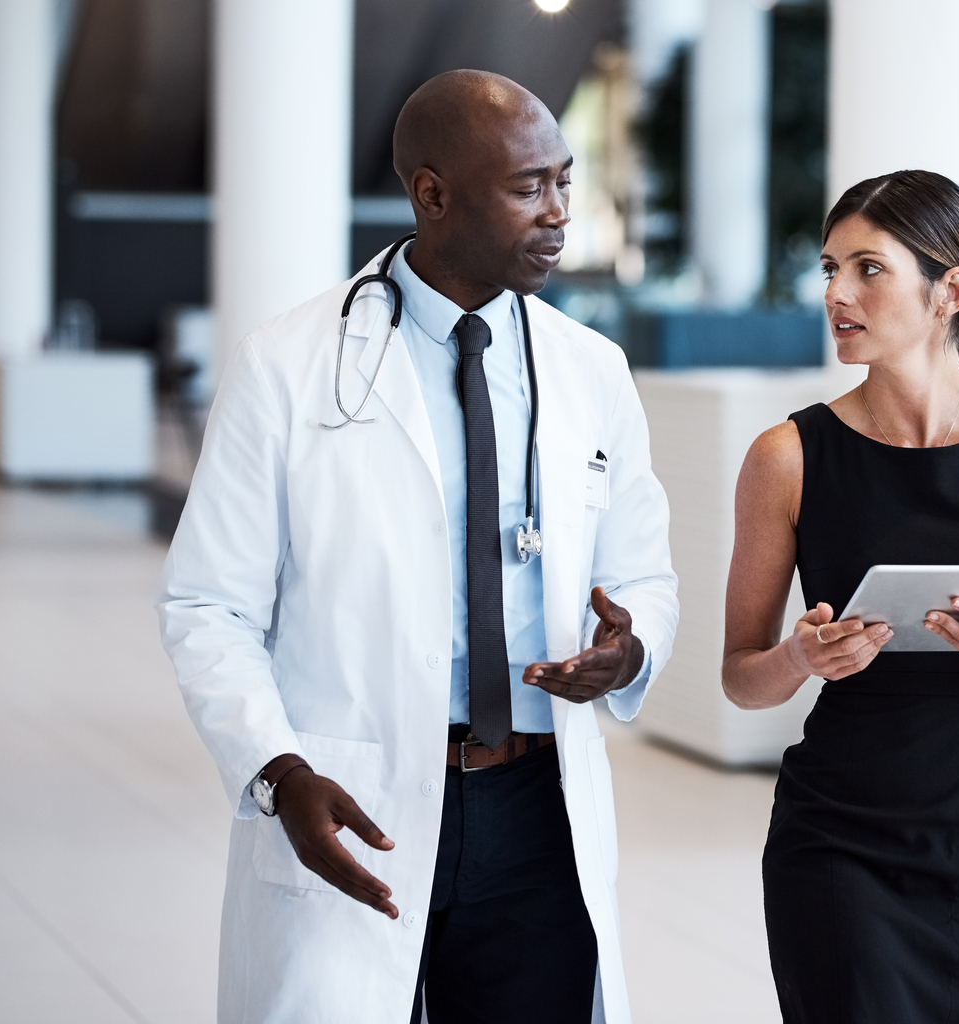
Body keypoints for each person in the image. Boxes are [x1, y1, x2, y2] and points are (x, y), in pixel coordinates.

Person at [157, 71, 677, 1023]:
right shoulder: (288, 365)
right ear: (432, 195)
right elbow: (208, 606)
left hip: (537, 807)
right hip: (356, 798)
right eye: (529, 188)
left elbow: (641, 571)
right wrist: (278, 771)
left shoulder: (589, 369)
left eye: (565, 180)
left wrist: (629, 646)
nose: (560, 213)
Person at [722, 169, 959, 1023]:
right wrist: (797, 655)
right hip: (837, 834)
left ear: (949, 290)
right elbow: (741, 677)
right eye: (829, 269)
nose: (837, 293)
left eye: (868, 268)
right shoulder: (785, 456)